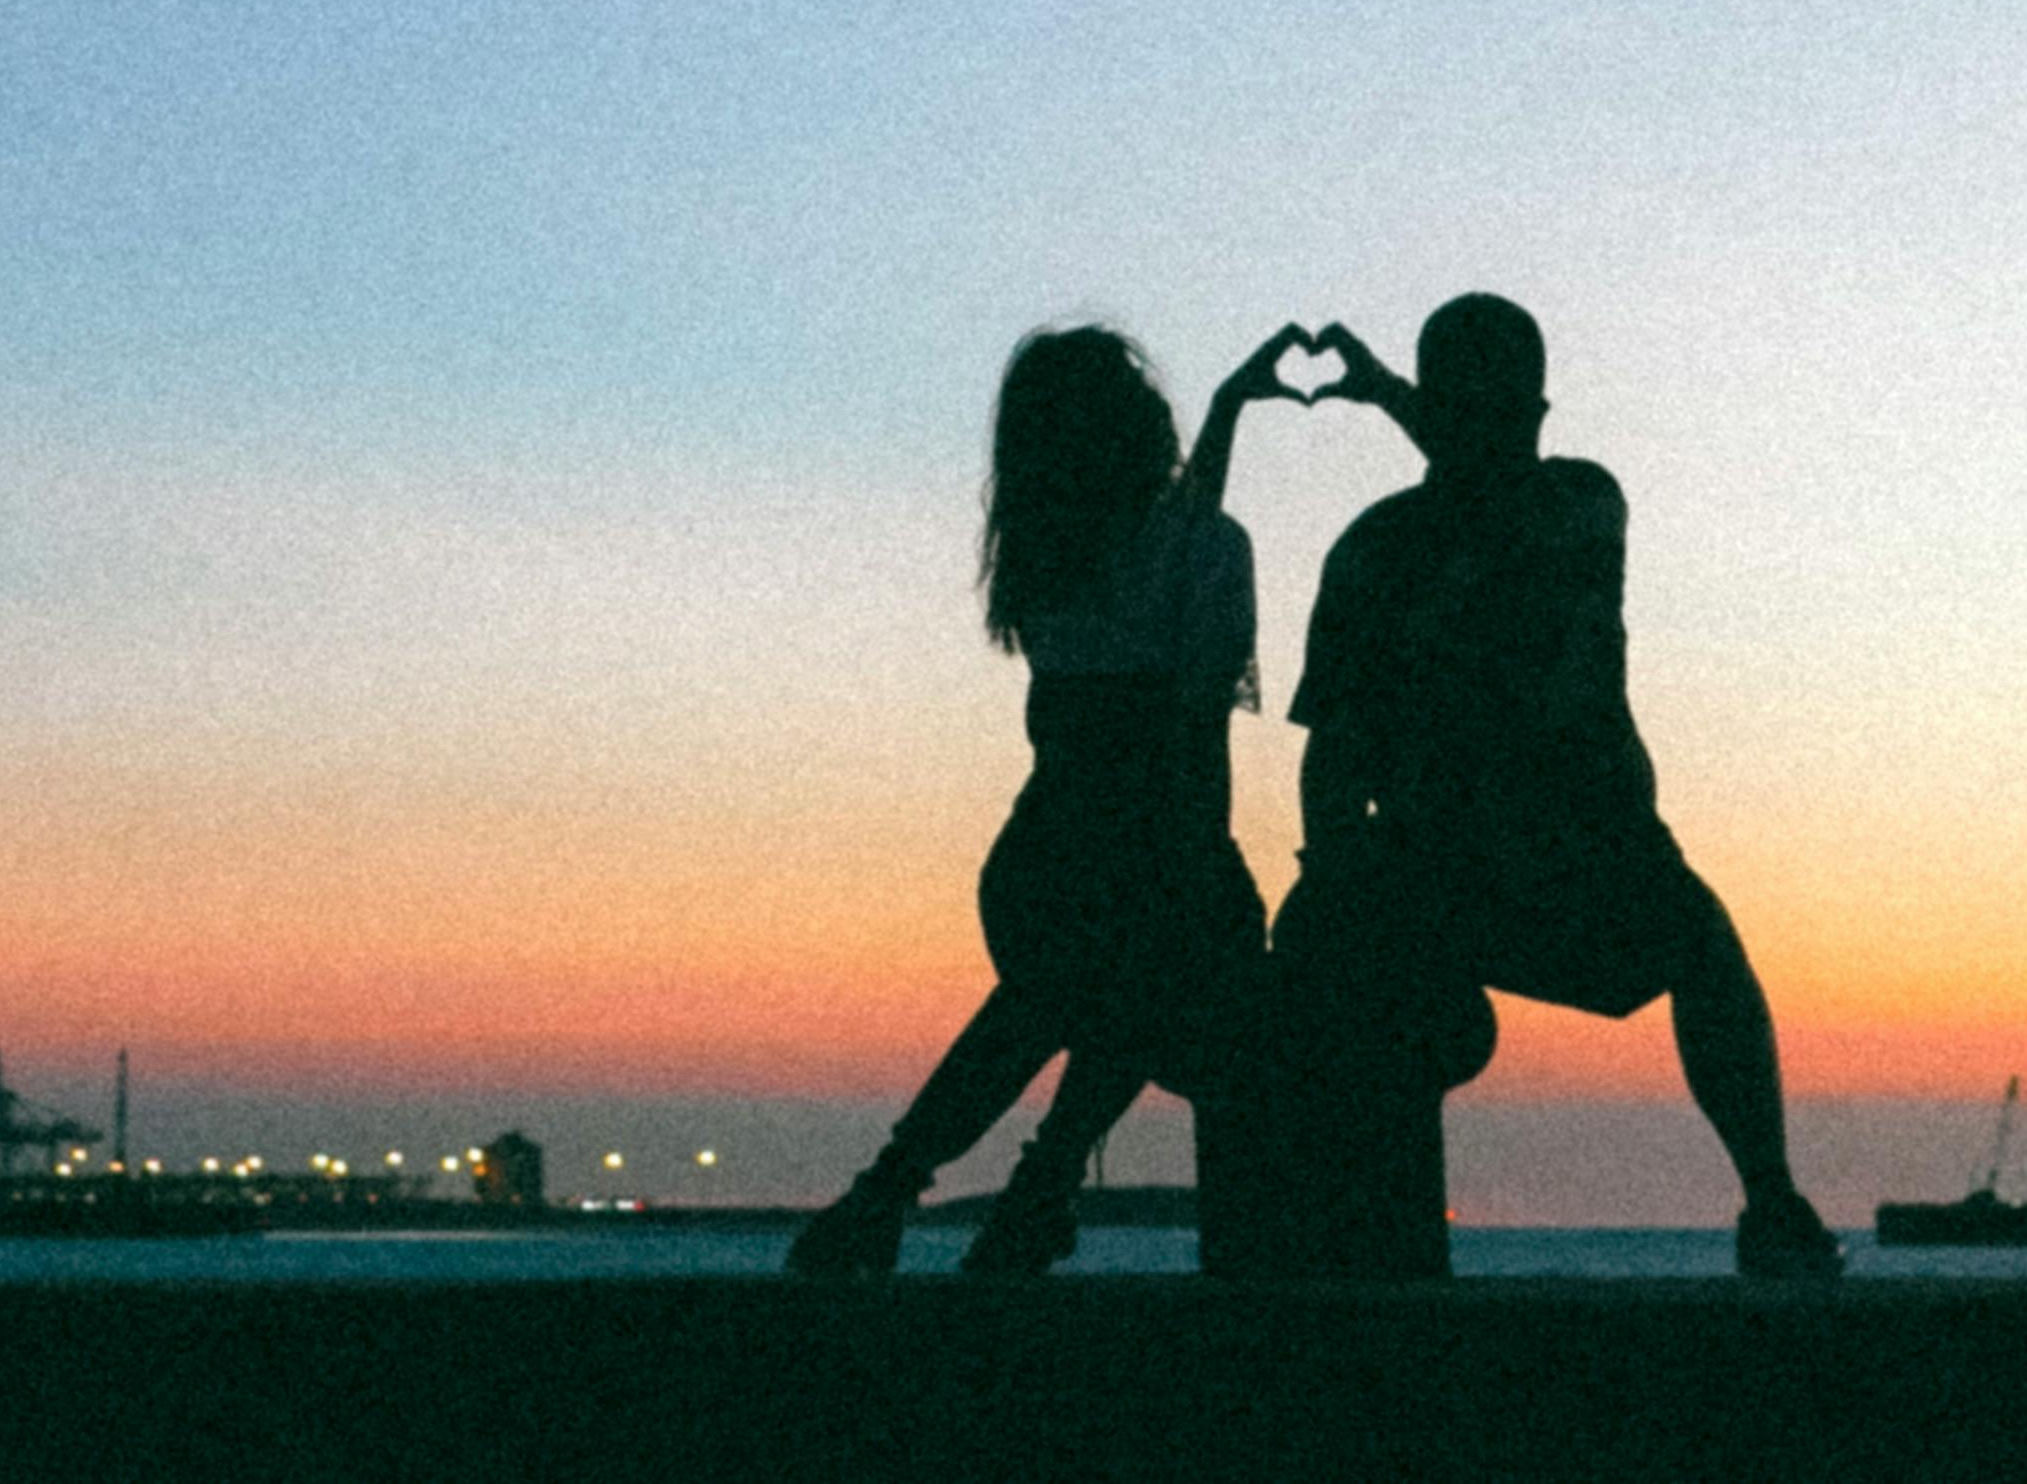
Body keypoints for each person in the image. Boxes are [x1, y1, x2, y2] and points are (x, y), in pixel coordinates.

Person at [1273, 292, 1834, 1278]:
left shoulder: (1431, 536)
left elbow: (1338, 748)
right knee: (1700, 944)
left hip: (1552, 864)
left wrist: (1331, 875)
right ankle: (1770, 1197)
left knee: (1702, 944)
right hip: (1504, 869)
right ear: (1534, 411)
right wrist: (1332, 877)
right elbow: (1336, 753)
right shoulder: (1559, 509)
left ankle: (1770, 1198)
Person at [785, 319, 1315, 1277]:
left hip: (1045, 856)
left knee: (1054, 1005)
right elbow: (1190, 723)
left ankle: (890, 1194)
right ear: (1133, 426)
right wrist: (1203, 866)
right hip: (1150, 840)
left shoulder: (1046, 552)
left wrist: (1233, 407)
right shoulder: (1205, 548)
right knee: (1168, 978)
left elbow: (1165, 544)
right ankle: (1037, 1188)